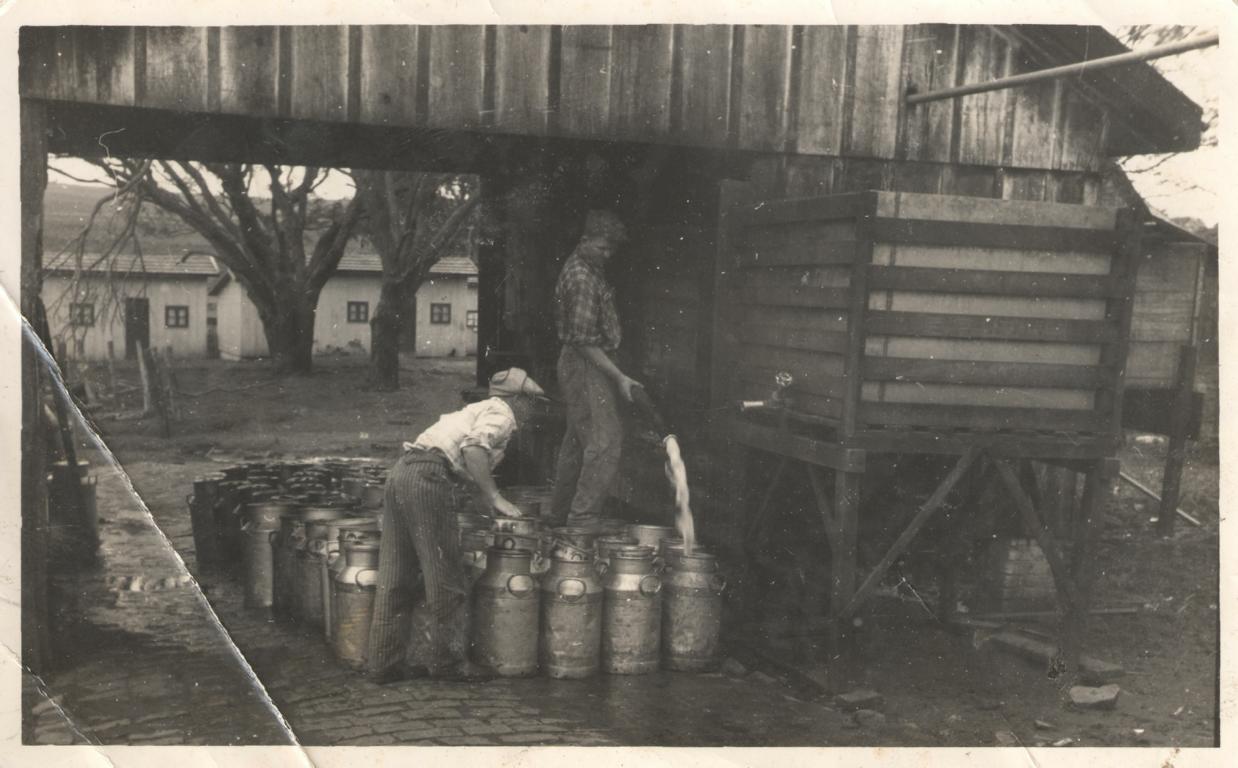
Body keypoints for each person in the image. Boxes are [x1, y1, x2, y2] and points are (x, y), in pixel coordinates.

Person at [367, 367, 545, 684]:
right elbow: (473, 448)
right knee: (446, 575)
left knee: (395, 574)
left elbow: (464, 464)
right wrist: (495, 497)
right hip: (427, 478)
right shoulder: (502, 413)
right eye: (532, 404)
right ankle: (448, 664)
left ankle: (383, 664)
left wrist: (479, 499)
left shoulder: (475, 410)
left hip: (402, 474)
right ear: (519, 400)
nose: (532, 413)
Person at [549, 210, 641, 531]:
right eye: (602, 248)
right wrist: (618, 376)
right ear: (585, 240)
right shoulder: (582, 278)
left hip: (583, 362)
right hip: (585, 364)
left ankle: (558, 520)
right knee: (605, 443)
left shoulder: (589, 268)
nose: (608, 255)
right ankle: (581, 527)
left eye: (611, 250)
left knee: (576, 443)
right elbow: (583, 341)